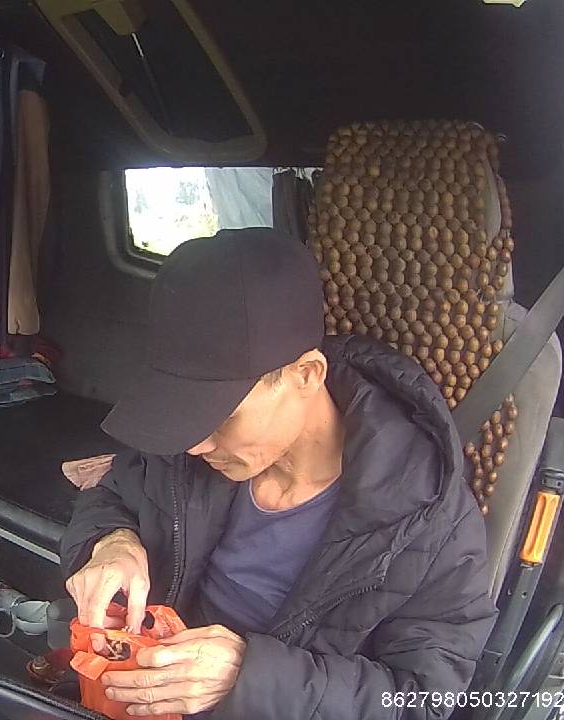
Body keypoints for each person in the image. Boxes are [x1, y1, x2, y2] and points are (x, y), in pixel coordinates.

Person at [60, 228, 497, 718]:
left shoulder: (426, 519)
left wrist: (248, 678)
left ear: (306, 375)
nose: (195, 445)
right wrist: (111, 542)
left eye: (220, 417)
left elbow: (424, 699)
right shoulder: (188, 445)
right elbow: (112, 493)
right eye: (186, 416)